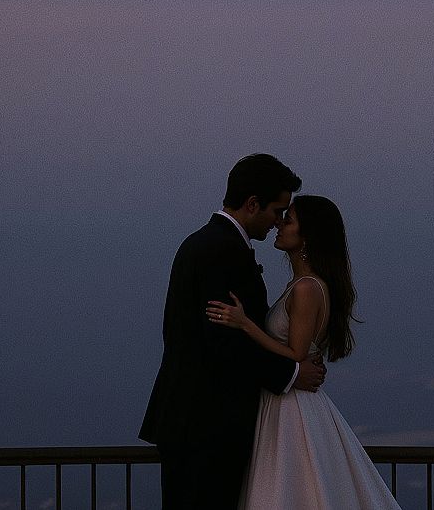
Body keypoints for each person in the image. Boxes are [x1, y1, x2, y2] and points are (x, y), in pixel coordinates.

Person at [139, 154, 326, 510]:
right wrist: (292, 374)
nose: (277, 222)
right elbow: (224, 345)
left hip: (196, 425)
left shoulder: (208, 244)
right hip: (206, 427)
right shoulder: (221, 251)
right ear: (252, 204)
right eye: (276, 211)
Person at [207, 194, 402, 510]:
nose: (280, 224)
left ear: (308, 236)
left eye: (290, 220)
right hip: (287, 401)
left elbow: (296, 353)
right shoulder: (301, 285)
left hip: (291, 407)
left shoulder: (306, 288)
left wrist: (245, 324)